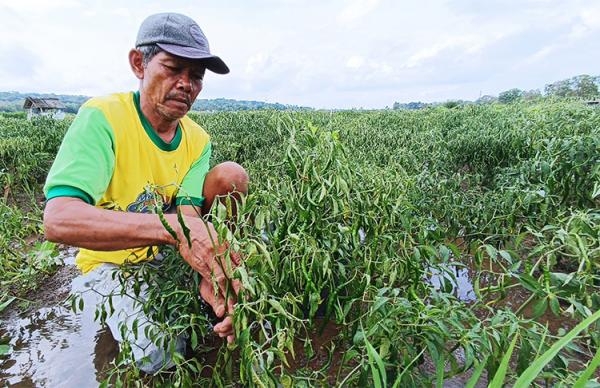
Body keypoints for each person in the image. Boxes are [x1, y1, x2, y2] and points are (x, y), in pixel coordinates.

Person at [42, 12, 248, 373]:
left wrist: (208, 269)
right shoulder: (102, 117)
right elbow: (59, 219)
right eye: (173, 69)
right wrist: (174, 232)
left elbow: (188, 217)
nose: (186, 84)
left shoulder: (197, 140)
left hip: (163, 254)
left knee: (231, 175)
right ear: (139, 63)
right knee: (162, 356)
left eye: (196, 76)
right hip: (109, 262)